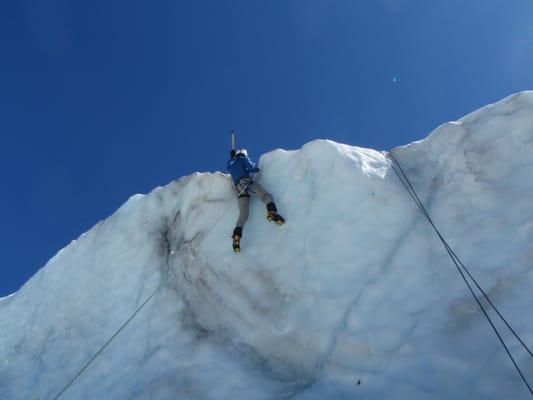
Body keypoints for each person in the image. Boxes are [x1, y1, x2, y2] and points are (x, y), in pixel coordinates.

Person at [227, 148, 285, 252]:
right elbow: (252, 168)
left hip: (239, 190)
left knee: (243, 214)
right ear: (244, 154)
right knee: (266, 196)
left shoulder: (232, 165)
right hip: (247, 184)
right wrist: (256, 168)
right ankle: (272, 212)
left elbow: (228, 166)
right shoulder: (243, 159)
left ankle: (237, 236)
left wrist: (231, 158)